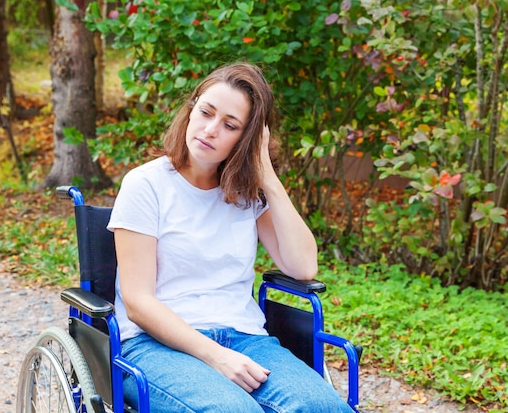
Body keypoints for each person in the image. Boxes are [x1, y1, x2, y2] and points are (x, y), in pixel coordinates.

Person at [107, 63, 353, 413]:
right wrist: (217, 357)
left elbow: (302, 266)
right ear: (191, 110)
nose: (210, 130)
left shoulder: (247, 194)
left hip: (246, 339)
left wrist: (267, 177)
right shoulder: (147, 185)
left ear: (248, 138)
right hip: (156, 345)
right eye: (206, 112)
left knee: (327, 409)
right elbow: (137, 301)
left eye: (230, 125)